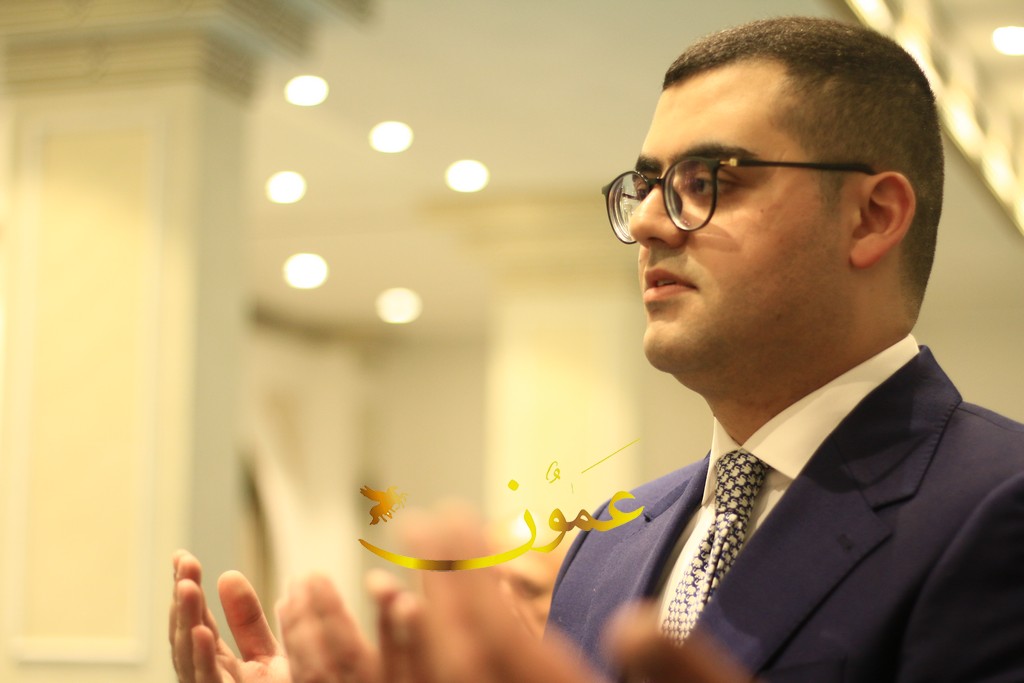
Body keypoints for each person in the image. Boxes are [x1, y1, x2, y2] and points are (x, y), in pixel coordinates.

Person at [169, 16, 1024, 683]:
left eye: (706, 182)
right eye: (646, 185)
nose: (647, 222)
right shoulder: (608, 542)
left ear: (872, 216)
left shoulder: (996, 506)